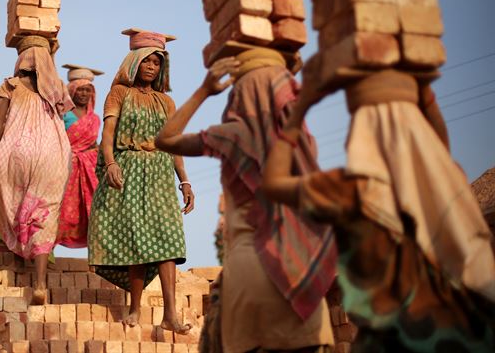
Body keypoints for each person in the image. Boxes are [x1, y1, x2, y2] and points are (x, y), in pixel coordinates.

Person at [261, 63, 495, 353]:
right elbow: (438, 142)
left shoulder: (348, 190)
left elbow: (274, 182)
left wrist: (301, 105)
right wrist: (421, 89)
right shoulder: (441, 180)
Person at [156, 50, 336, 353]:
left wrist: (204, 91)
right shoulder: (302, 140)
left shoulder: (232, 136)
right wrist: (287, 68)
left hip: (248, 276)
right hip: (298, 273)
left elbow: (166, 139)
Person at [88, 29, 194, 334]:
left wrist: (184, 182)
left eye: (157, 63)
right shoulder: (119, 93)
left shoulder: (166, 102)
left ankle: (171, 314)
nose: (151, 66)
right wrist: (110, 163)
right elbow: (107, 136)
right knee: (138, 239)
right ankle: (134, 308)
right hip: (129, 167)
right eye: (146, 61)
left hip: (160, 171)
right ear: (133, 63)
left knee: (170, 239)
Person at [0, 35, 73, 304]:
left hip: (18, 153)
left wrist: (1, 148)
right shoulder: (55, 87)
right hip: (51, 155)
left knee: (16, 205)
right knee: (43, 213)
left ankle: (17, 267)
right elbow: (64, 107)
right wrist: (53, 55)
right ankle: (39, 284)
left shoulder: (11, 85)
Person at [57, 65, 103, 248]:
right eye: (80, 90)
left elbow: (94, 144)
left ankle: (95, 258)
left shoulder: (96, 118)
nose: (84, 94)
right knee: (59, 209)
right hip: (66, 165)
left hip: (90, 168)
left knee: (94, 210)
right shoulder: (63, 115)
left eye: (88, 90)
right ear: (72, 91)